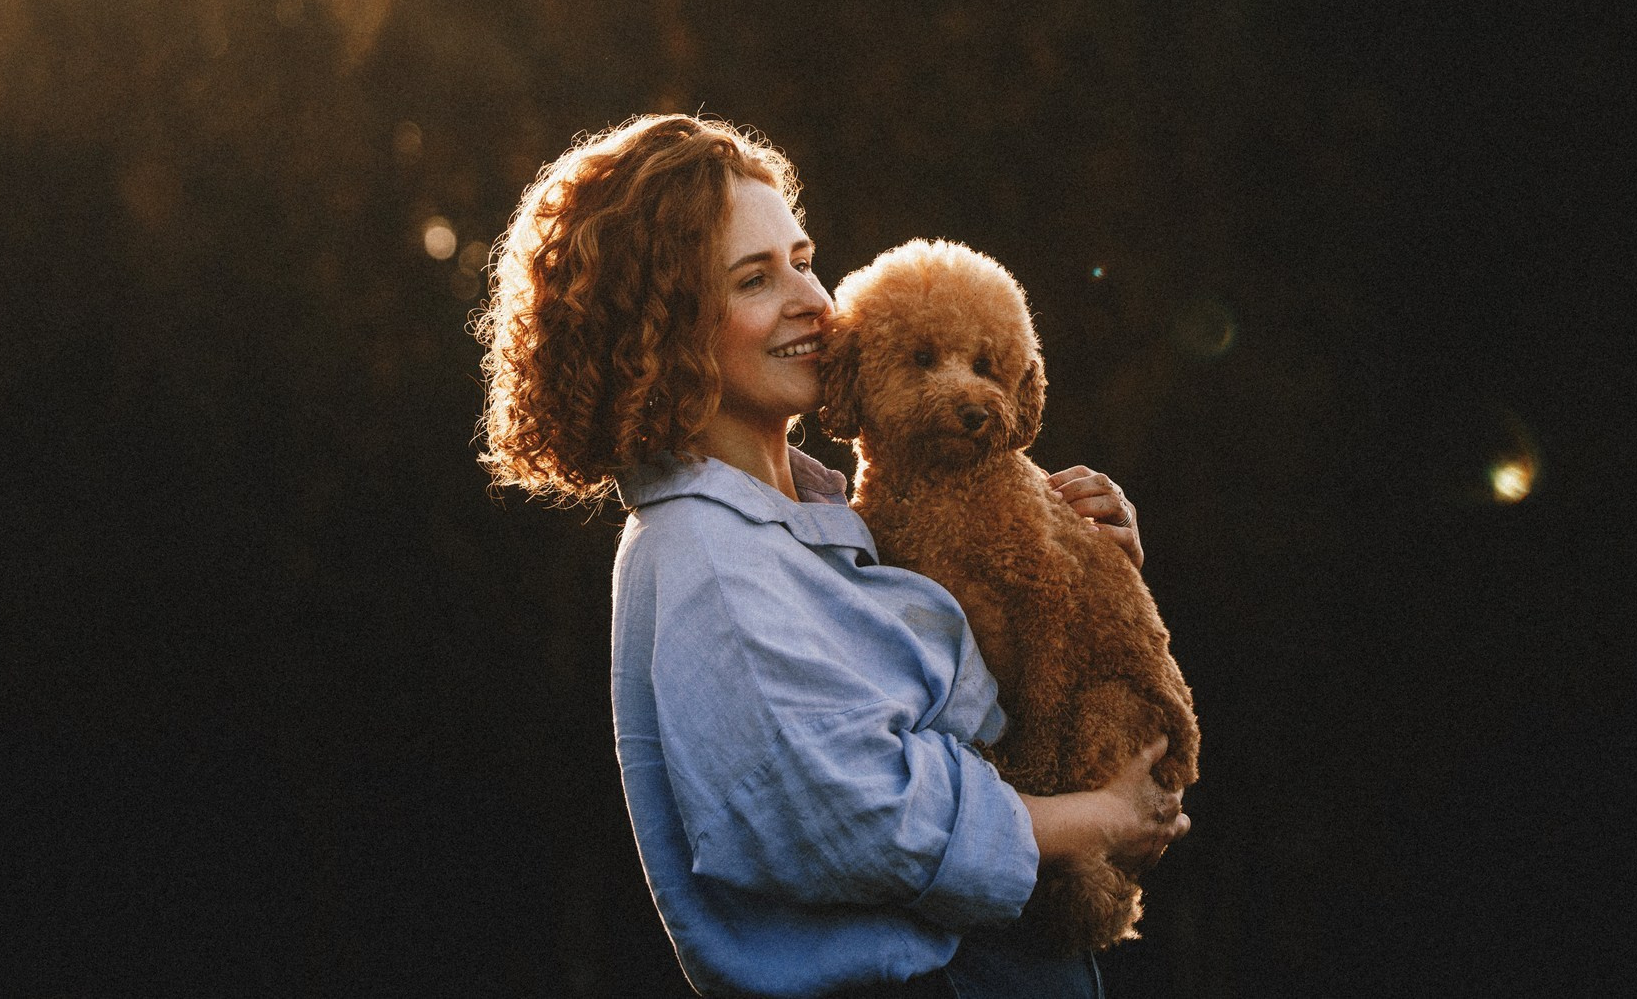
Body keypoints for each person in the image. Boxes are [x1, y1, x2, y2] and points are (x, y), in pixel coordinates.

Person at [477, 114, 1188, 998]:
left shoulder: (829, 514)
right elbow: (860, 816)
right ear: (659, 332)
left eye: (804, 262)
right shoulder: (707, 559)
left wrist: (1088, 556)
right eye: (754, 279)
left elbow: (984, 678)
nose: (813, 303)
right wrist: (1098, 819)